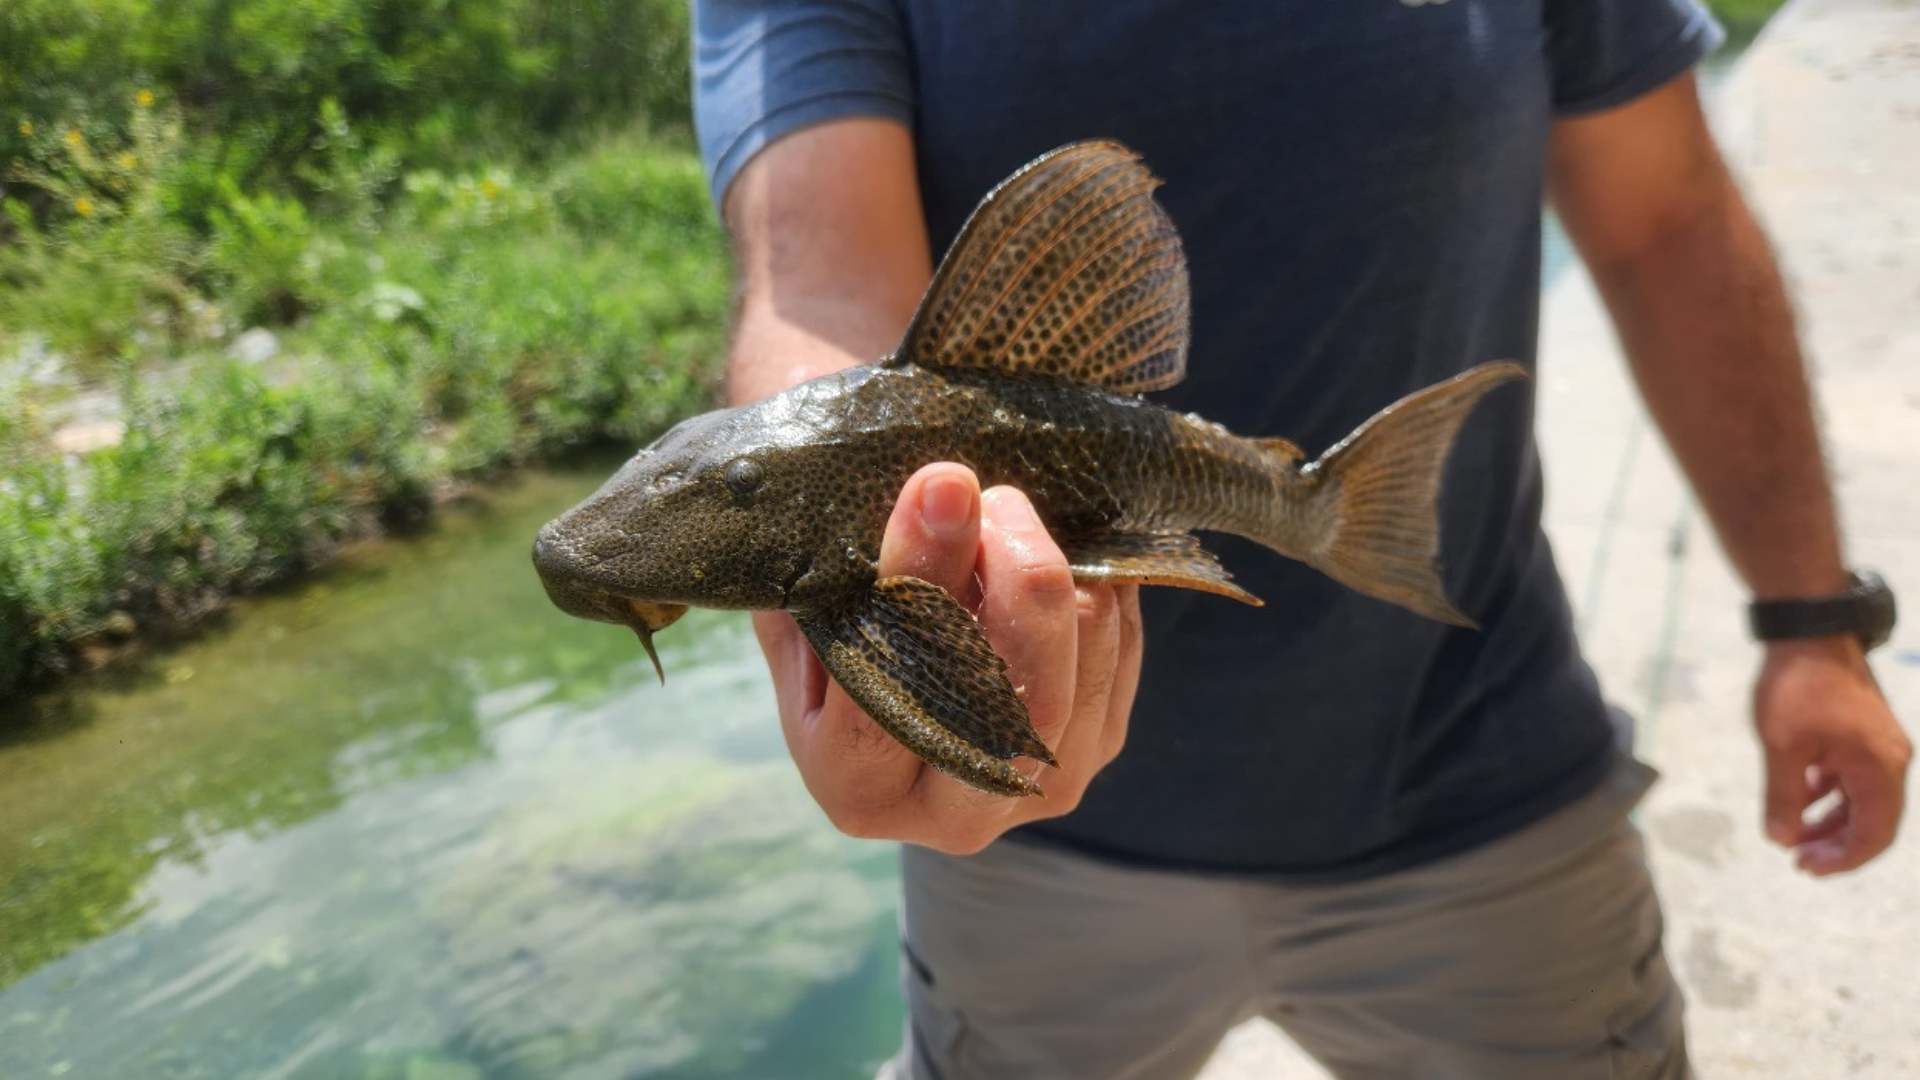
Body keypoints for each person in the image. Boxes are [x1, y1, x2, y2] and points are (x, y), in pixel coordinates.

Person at [690, 2, 1913, 1077]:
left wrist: (1811, 622)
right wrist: (837, 568)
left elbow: (1669, 222)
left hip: (1482, 786)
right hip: (1012, 817)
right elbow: (817, 285)